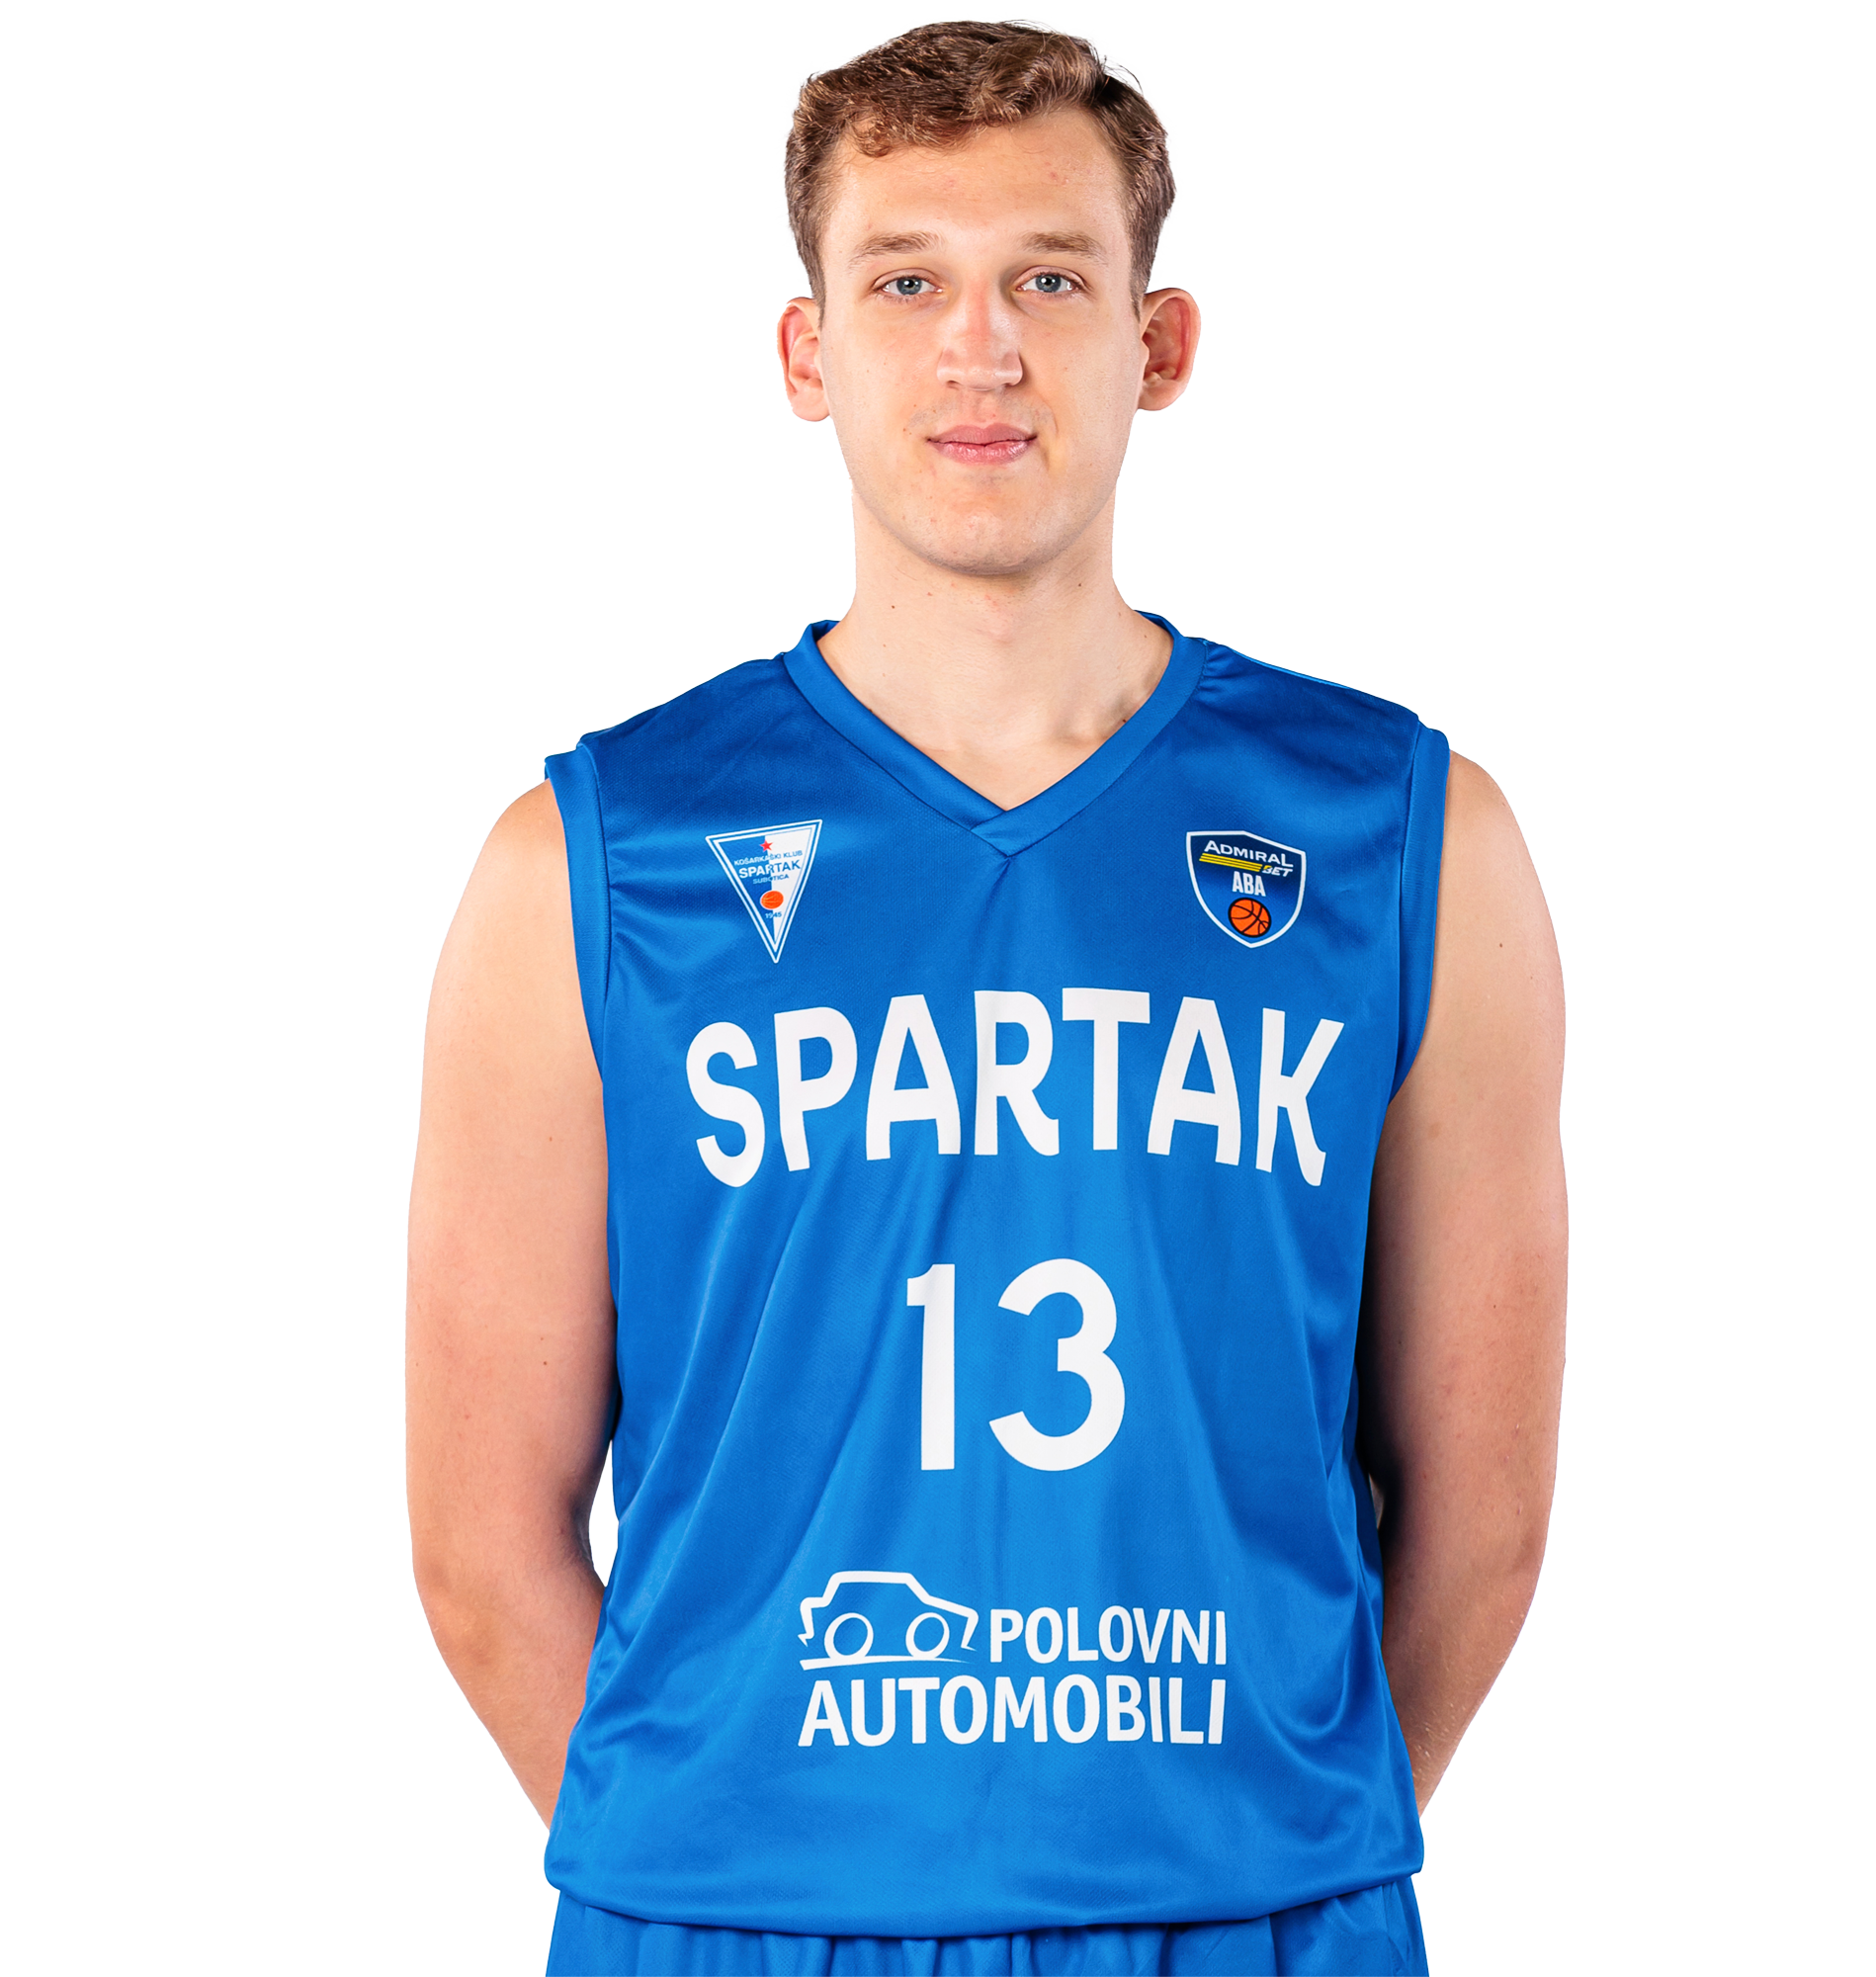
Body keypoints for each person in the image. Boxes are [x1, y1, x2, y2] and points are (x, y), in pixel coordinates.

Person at [408, 20, 1566, 1977]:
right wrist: (725, 1856)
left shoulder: (1405, 838)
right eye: (904, 283)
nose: (980, 349)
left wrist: (1277, 1838)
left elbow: (1486, 1514)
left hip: (1252, 1912)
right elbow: (474, 1541)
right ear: (807, 353)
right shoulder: (588, 865)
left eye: (1048, 279)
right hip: (745, 1920)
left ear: (1157, 341)